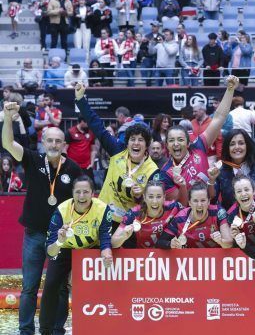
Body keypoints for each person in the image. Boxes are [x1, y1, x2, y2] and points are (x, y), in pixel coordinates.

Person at [2, 101, 81, 335]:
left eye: (58, 141)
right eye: (50, 140)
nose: (54, 144)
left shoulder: (74, 170)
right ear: (43, 142)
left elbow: (82, 202)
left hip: (61, 238)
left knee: (58, 289)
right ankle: (26, 331)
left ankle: (57, 330)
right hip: (35, 235)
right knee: (29, 287)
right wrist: (8, 118)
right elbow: (7, 143)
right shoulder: (33, 160)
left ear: (64, 144)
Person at [75, 83, 159, 224]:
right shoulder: (118, 150)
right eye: (132, 139)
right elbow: (98, 127)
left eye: (140, 140)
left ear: (147, 145)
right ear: (127, 142)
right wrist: (81, 100)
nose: (136, 143)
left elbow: (154, 202)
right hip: (103, 216)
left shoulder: (153, 171)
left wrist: (140, 197)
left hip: (129, 224)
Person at [40, 175, 112, 334]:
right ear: (72, 193)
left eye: (86, 192)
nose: (81, 196)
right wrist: (59, 241)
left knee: (96, 287)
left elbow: (105, 237)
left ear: (93, 193)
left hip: (90, 250)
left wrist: (106, 252)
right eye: (78, 192)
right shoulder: (61, 210)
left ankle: (99, 328)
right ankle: (48, 330)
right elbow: (50, 253)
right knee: (52, 284)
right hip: (65, 249)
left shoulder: (103, 209)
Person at [157, 76, 239, 205]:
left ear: (188, 142)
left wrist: (230, 89)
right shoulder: (165, 173)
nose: (176, 143)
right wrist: (182, 185)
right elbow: (181, 205)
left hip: (212, 207)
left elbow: (219, 117)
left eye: (180, 139)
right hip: (188, 218)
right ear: (166, 145)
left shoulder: (199, 146)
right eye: (171, 140)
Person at [157, 183, 232, 249]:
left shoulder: (218, 212)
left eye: (203, 200)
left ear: (209, 201)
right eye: (195, 201)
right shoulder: (180, 218)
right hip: (191, 261)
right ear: (189, 202)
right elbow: (160, 243)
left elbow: (229, 244)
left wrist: (221, 242)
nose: (199, 205)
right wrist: (170, 244)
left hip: (215, 261)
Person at [223, 175, 255, 245]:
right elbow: (235, 245)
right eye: (239, 191)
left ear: (253, 191)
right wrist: (235, 237)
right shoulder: (231, 214)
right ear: (235, 196)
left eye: (246, 190)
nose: (243, 194)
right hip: (245, 249)